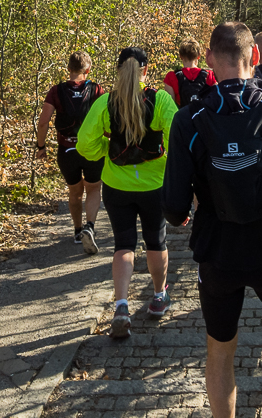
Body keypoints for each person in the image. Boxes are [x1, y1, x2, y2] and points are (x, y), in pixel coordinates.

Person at [163, 22, 262, 418]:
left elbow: (173, 210)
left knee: (219, 350)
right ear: (255, 57)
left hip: (217, 252)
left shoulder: (188, 119)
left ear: (211, 60)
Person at [76, 47, 179, 338]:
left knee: (124, 244)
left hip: (116, 185)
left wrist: (103, 153)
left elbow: (85, 142)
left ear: (118, 70)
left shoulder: (106, 102)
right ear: (146, 70)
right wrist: (171, 166)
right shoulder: (160, 100)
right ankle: (159, 297)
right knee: (156, 242)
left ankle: (121, 305)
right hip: (153, 185)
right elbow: (178, 137)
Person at [35, 52, 106, 254]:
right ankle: (90, 227)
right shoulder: (97, 90)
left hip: (67, 150)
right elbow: (107, 117)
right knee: (93, 189)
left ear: (69, 69)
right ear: (88, 70)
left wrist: (41, 147)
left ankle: (77, 231)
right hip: (91, 149)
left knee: (75, 191)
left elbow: (43, 122)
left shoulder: (56, 91)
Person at [162, 37, 217, 108]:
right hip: (204, 118)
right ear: (199, 56)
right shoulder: (210, 75)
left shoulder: (171, 77)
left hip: (182, 117)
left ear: (180, 56)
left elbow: (170, 107)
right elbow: (215, 101)